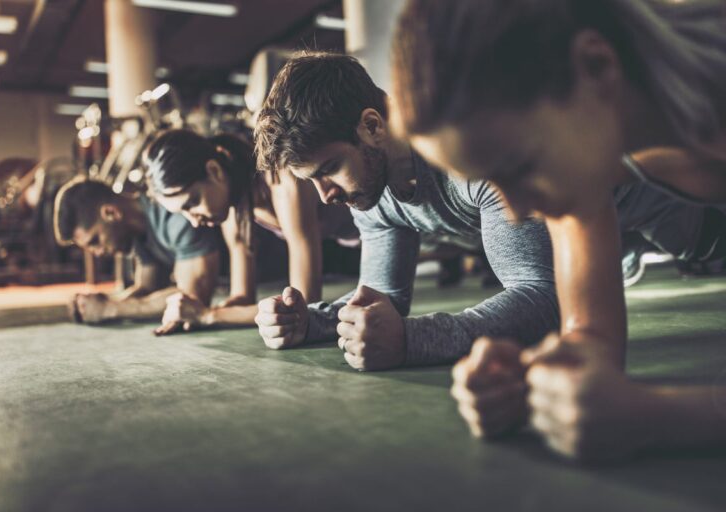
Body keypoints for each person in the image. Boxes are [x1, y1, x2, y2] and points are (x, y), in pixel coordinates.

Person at [391, 0, 726, 460]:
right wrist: (543, 383)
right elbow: (591, 340)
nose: (514, 211)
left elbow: (653, 416)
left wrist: (660, 416)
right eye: (492, 182)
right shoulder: (586, 158)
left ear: (596, 66)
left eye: (519, 167)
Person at [251, 51, 716, 373]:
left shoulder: (470, 146)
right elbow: (385, 300)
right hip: (598, 233)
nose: (325, 195)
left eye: (329, 168)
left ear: (372, 126)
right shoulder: (368, 188)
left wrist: (411, 341)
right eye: (311, 179)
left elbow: (542, 299)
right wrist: (309, 321)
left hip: (690, 212)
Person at [142, 130, 360, 335]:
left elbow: (304, 303)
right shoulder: (235, 210)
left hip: (379, 227)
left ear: (214, 171)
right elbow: (242, 297)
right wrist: (195, 311)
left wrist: (208, 315)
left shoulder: (281, 179)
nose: (194, 221)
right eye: (183, 213)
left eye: (192, 202)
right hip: (354, 238)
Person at [53, 177, 219, 325]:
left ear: (111, 213)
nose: (97, 253)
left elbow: (192, 299)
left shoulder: (172, 212)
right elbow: (148, 287)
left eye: (95, 241)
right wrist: (101, 302)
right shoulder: (138, 233)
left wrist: (109, 309)